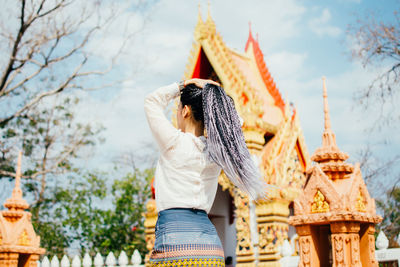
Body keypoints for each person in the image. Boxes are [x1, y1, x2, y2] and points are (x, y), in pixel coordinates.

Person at [144, 78, 268, 266]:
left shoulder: (173, 142)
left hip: (175, 244)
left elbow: (152, 101)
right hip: (210, 248)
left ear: (185, 111)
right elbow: (235, 123)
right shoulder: (216, 151)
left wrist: (181, 85)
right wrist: (215, 91)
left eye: (178, 109)